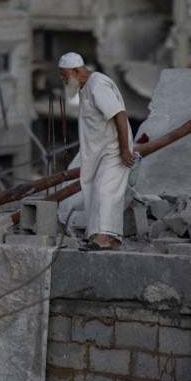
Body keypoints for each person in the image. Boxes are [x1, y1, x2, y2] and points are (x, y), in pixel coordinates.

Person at [58, 52, 135, 251]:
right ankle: (112, 240)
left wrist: (124, 148)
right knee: (96, 190)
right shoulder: (85, 87)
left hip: (114, 149)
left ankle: (101, 239)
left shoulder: (97, 84)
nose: (63, 79)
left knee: (105, 190)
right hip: (102, 151)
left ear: (75, 71)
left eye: (64, 74)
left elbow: (119, 113)